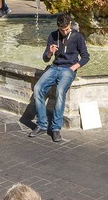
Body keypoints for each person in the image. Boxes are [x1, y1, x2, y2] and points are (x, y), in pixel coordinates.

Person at [29, 13, 87, 144]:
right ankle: (42, 125)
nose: (65, 31)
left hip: (68, 69)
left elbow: (85, 57)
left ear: (70, 25)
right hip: (54, 67)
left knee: (60, 91)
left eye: (66, 29)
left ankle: (55, 128)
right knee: (38, 88)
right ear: (58, 27)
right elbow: (46, 58)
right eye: (62, 30)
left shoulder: (78, 37)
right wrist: (50, 52)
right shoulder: (53, 36)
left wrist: (74, 67)